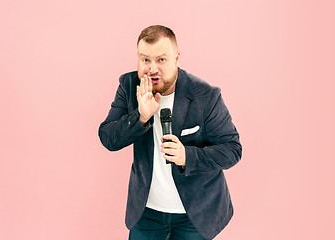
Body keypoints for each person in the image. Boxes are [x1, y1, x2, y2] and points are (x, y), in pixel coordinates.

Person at [98, 25, 242, 240]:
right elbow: (108, 138)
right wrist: (141, 117)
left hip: (195, 214)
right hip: (146, 213)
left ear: (177, 58)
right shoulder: (129, 86)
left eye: (161, 60)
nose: (152, 68)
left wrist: (187, 156)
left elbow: (232, 150)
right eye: (145, 60)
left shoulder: (206, 96)